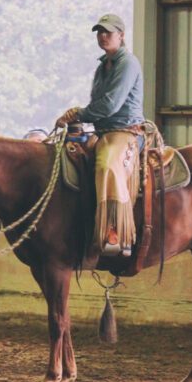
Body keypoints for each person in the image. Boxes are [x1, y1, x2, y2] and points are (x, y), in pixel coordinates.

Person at [55, 13, 144, 258]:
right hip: (103, 130)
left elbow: (109, 105)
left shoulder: (127, 63)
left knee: (107, 164)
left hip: (124, 130)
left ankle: (115, 233)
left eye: (108, 32)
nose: (102, 36)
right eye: (99, 32)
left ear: (121, 35)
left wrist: (78, 114)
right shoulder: (102, 66)